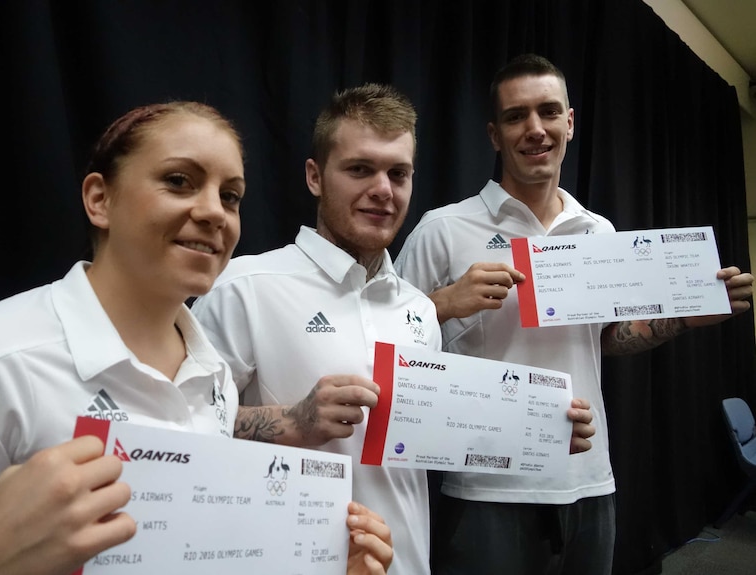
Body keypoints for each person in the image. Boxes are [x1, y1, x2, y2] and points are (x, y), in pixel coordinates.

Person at [0, 101, 393, 574]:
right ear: (99, 199)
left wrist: (315, 559)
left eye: (231, 195)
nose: (214, 212)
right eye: (179, 181)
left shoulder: (213, 375)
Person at [191, 83, 596, 575]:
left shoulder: (418, 310)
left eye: (398, 173)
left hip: (408, 562)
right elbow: (179, 436)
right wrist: (292, 422)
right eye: (360, 169)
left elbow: (437, 434)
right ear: (315, 176)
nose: (383, 189)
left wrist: (539, 429)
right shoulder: (244, 287)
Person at [394, 54, 756, 575]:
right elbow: (386, 348)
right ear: (495, 135)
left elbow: (607, 338)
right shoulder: (443, 229)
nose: (534, 129)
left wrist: (681, 318)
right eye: (516, 116)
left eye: (548, 111)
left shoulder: (599, 233)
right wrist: (443, 303)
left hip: (589, 480)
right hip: (485, 485)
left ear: (570, 123)